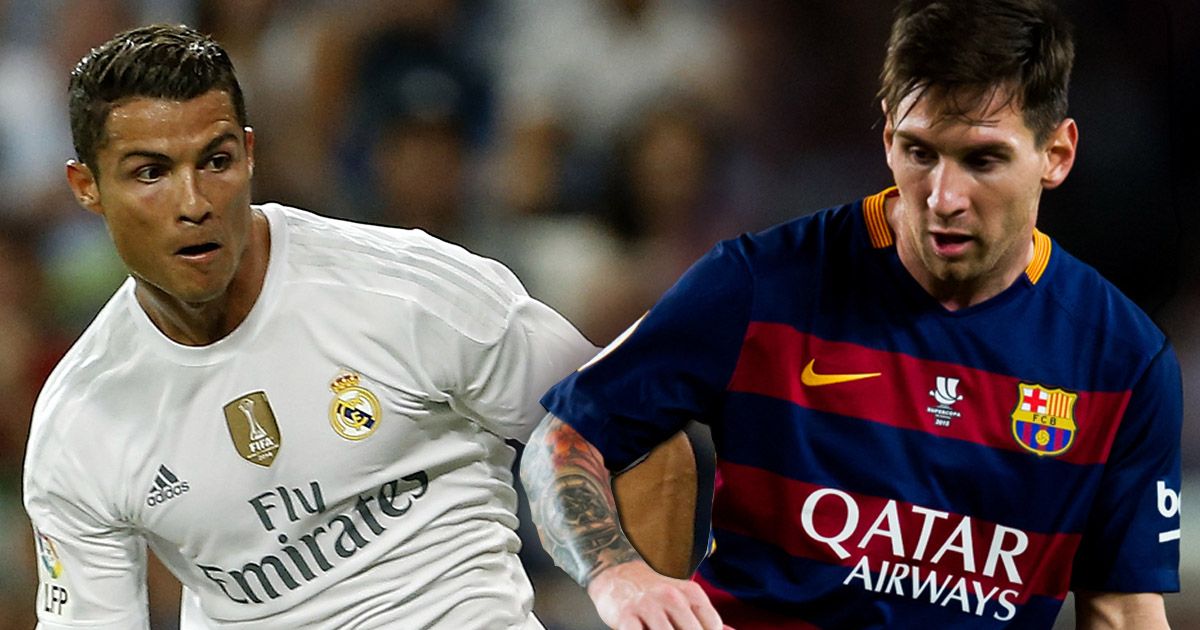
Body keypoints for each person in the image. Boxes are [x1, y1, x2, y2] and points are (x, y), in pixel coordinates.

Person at [519, 0, 1183, 628]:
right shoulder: (761, 284)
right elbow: (563, 441)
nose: (944, 197)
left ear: (1056, 155)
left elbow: (1124, 610)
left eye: (983, 159)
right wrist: (618, 575)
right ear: (889, 135)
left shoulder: (1122, 360)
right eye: (920, 152)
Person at [23, 24, 596, 629]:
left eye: (216, 161)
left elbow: (626, 429)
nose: (193, 203)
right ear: (87, 187)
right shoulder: (80, 422)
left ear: (249, 154)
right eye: (150, 173)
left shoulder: (407, 290)